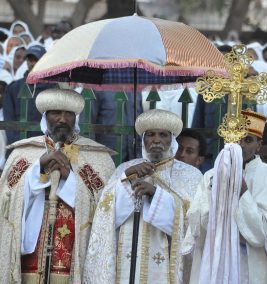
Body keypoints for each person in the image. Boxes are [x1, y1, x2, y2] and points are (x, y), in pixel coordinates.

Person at [0, 89, 116, 283]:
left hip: (73, 247)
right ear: (45, 117)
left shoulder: (96, 157)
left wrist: (69, 178)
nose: (62, 119)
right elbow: (7, 198)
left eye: (68, 114)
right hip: (30, 249)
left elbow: (104, 205)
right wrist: (39, 168)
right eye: (56, 113)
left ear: (75, 117)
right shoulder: (24, 153)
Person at [84, 109, 203, 283]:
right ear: (143, 139)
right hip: (125, 261)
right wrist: (126, 179)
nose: (156, 140)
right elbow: (105, 217)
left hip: (166, 259)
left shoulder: (190, 175)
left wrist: (156, 195)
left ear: (172, 140)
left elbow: (192, 224)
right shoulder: (124, 169)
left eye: (163, 135)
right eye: (151, 135)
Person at [183, 110, 267, 283]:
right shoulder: (210, 176)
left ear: (259, 145)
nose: (241, 144)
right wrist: (215, 193)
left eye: (248, 140)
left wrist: (244, 193)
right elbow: (198, 226)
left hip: (250, 266)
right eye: (236, 138)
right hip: (215, 262)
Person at [3, 44, 57, 145]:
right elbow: (9, 121)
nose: (32, 63)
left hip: (45, 146)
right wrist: (18, 144)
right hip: (19, 145)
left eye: (36, 59)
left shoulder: (53, 89)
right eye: (30, 59)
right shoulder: (14, 88)